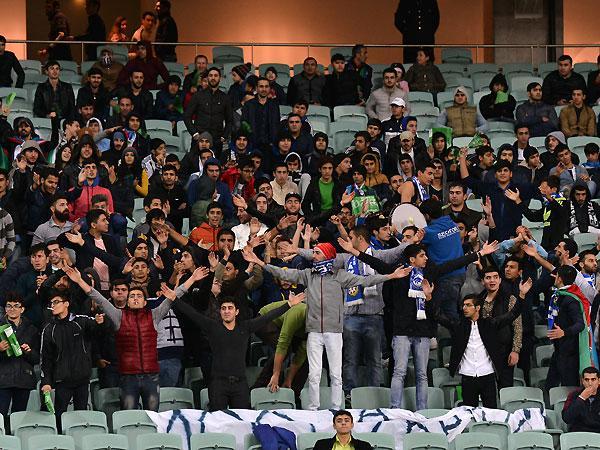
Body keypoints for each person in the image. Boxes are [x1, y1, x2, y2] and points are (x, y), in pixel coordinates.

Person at [242, 244, 408, 410]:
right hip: (314, 331)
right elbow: (282, 273)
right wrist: (259, 262)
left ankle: (336, 409)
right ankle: (313, 408)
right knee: (314, 374)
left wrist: (391, 276)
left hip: (334, 332)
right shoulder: (308, 275)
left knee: (336, 374)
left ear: (327, 255)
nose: (313, 256)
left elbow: (366, 280)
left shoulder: (339, 275)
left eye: (317, 253)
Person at [65, 265, 202, 410]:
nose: (135, 299)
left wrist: (193, 278)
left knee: (152, 417)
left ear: (145, 302)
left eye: (139, 296)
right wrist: (79, 281)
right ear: (128, 301)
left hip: (151, 377)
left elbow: (173, 297)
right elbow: (99, 299)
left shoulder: (154, 315)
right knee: (128, 415)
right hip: (128, 377)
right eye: (132, 296)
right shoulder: (118, 316)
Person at [172, 282, 304, 410]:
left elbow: (267, 317)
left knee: (242, 420)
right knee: (218, 420)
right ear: (220, 312)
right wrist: (174, 299)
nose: (226, 311)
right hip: (218, 384)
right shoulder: (213, 327)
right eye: (223, 308)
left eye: (230, 308)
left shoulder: (245, 327)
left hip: (240, 384)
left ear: (237, 312)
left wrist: (289, 304)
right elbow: (193, 314)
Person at [433, 280, 530, 408]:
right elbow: (438, 316)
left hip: (487, 375)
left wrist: (522, 295)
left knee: (491, 411)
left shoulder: (490, 324)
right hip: (467, 376)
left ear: (477, 308)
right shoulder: (458, 326)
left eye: (468, 305)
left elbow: (512, 315)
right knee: (469, 412)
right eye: (464, 305)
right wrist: (429, 298)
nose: (464, 308)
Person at [40, 291, 103, 417]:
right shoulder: (49, 329)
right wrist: (46, 381)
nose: (53, 305)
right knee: (59, 415)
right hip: (61, 380)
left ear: (66, 304)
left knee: (81, 415)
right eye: (51, 303)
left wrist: (99, 323)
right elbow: (46, 359)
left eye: (56, 302)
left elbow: (98, 330)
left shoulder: (81, 321)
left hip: (82, 379)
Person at [545, 265, 589, 390]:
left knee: (568, 388)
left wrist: (564, 332)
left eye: (557, 275)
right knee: (550, 386)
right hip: (560, 349)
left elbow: (580, 324)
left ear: (559, 278)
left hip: (569, 353)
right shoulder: (560, 295)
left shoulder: (571, 300)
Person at [0, 294, 39, 416]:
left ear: (22, 309)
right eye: (9, 306)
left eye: (16, 306)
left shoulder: (32, 329)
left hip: (24, 380)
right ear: (5, 309)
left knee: (18, 417)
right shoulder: (0, 327)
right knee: (0, 416)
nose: (12, 309)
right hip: (2, 380)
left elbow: (37, 358)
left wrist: (29, 352)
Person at [184, 67, 232, 159]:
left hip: (217, 141)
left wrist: (223, 137)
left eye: (216, 75)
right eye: (211, 75)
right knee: (195, 164)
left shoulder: (225, 98)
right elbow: (187, 116)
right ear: (207, 78)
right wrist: (195, 134)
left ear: (220, 78)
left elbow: (229, 120)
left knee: (215, 165)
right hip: (199, 140)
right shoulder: (198, 96)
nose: (213, 78)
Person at [242, 77, 281, 152]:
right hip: (252, 145)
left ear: (269, 88)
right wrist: (250, 136)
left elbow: (276, 124)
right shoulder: (248, 105)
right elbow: (244, 123)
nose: (264, 89)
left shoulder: (274, 105)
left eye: (266, 86)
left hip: (270, 145)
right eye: (261, 86)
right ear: (256, 88)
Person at [562, 366, 600, 432]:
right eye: (587, 380)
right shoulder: (573, 395)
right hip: (578, 432)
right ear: (582, 381)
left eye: (593, 379)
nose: (590, 383)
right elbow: (566, 418)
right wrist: (581, 398)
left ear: (599, 381)